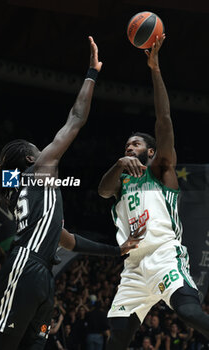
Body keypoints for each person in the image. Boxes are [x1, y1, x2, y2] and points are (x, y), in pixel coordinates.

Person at [0, 36, 144, 350]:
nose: (45, 150)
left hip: (44, 274)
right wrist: (91, 73)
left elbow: (67, 239)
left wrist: (117, 250)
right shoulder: (39, 170)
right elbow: (76, 118)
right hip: (26, 265)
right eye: (38, 149)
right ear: (32, 159)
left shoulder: (34, 195)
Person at [98, 34, 209, 350]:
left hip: (164, 256)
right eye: (126, 145)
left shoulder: (161, 171)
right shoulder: (120, 182)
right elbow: (102, 191)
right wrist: (120, 164)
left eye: (135, 144)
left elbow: (164, 121)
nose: (129, 147)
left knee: (188, 313)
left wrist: (155, 68)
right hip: (133, 267)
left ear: (150, 152)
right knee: (117, 336)